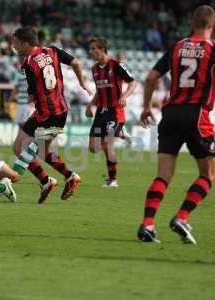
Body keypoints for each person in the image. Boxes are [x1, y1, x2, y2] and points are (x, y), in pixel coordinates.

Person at [138, 5, 215, 244]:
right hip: (197, 115)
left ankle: (147, 224)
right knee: (209, 174)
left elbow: (151, 78)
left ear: (192, 23)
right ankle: (181, 217)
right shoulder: (213, 49)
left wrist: (146, 106)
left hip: (170, 114)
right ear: (212, 26)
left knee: (163, 174)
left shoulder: (177, 46)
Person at [11, 26, 92, 203]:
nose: (14, 46)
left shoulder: (27, 65)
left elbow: (31, 96)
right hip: (61, 111)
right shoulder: (53, 50)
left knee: (18, 148)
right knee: (43, 151)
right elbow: (76, 63)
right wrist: (82, 82)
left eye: (16, 43)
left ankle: (46, 180)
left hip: (45, 114)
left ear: (26, 43)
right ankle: (69, 177)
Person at [85, 37, 136, 187]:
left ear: (102, 50)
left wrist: (124, 96)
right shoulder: (94, 69)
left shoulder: (116, 65)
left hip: (115, 110)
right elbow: (100, 91)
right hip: (101, 110)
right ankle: (119, 132)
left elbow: (133, 82)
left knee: (107, 145)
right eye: (91, 49)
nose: (92, 51)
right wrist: (90, 105)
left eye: (94, 48)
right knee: (94, 148)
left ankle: (113, 180)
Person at [9, 57, 35, 126]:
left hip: (24, 104)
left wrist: (10, 99)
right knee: (26, 126)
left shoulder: (19, 73)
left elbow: (16, 88)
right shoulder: (34, 72)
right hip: (29, 104)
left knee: (23, 126)